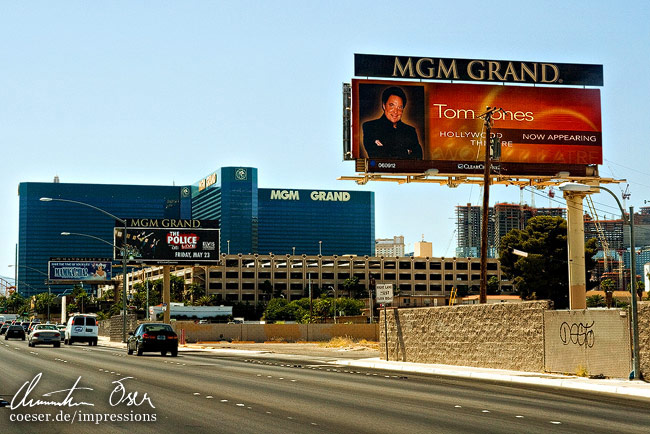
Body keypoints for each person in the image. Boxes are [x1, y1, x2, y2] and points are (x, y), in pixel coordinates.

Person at [362, 86, 422, 159]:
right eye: (392, 105)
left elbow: (418, 159)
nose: (396, 111)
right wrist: (406, 151)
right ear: (384, 106)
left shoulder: (410, 131)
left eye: (400, 107)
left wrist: (386, 148)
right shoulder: (370, 127)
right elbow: (376, 155)